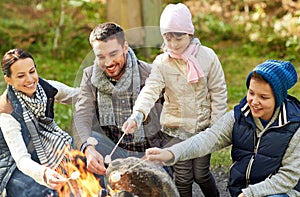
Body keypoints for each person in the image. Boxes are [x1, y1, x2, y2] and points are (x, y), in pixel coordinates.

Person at [145, 60, 300, 197]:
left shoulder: (294, 127)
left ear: (278, 99)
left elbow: (288, 177)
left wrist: (250, 193)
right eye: (251, 93)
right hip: (242, 191)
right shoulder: (238, 117)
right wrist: (170, 153)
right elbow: (207, 139)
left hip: (279, 192)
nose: (254, 101)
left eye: (264, 97)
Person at [122, 3, 227, 197]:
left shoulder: (208, 57)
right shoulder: (162, 62)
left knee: (201, 174)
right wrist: (138, 114)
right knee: (183, 176)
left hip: (203, 127)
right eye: (168, 39)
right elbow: (150, 90)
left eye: (178, 38)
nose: (173, 44)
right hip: (175, 128)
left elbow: (218, 92)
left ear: (189, 33)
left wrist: (216, 127)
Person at [72, 22, 164, 175]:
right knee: (80, 146)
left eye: (113, 54)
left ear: (125, 48)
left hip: (148, 153)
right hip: (111, 151)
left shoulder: (150, 74)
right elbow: (81, 115)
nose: (108, 63)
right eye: (101, 57)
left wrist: (164, 152)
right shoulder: (90, 76)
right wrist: (88, 149)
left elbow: (171, 119)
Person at [0, 48, 79, 197]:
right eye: (21, 76)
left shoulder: (45, 88)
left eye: (32, 71)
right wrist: (44, 173)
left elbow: (78, 95)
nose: (30, 80)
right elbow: (21, 159)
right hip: (13, 165)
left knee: (87, 165)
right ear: (8, 80)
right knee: (48, 193)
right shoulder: (6, 112)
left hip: (43, 150)